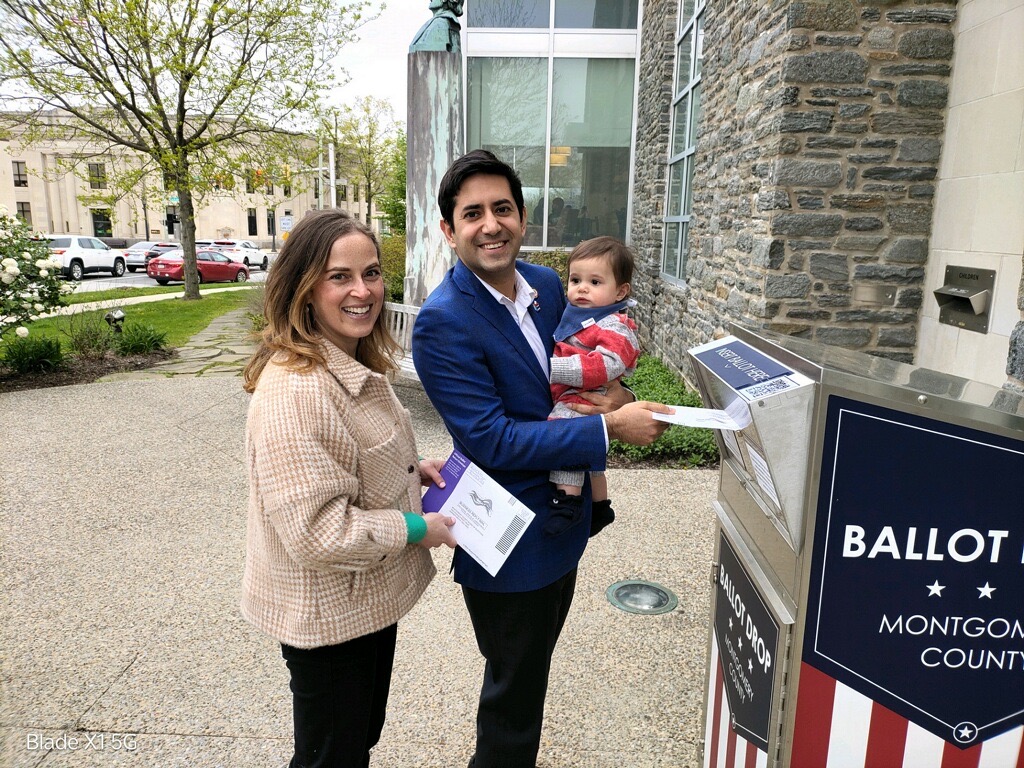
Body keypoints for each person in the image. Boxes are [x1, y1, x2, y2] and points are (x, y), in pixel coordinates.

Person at [412, 149, 671, 768]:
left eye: (502, 208)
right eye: (471, 213)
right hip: (508, 541)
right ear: (449, 231)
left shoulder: (552, 287)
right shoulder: (443, 322)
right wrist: (609, 430)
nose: (490, 224)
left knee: (534, 676)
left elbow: (585, 369)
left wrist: (620, 396)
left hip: (563, 522)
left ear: (523, 218)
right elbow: (492, 439)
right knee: (513, 699)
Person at [240, 209, 457, 768]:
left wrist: (414, 472)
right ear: (304, 288)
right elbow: (318, 532)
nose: (363, 291)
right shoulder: (297, 390)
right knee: (331, 755)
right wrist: (418, 528)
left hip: (360, 610)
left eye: (372, 272)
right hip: (329, 622)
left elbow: (354, 464)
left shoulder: (348, 362)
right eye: (340, 276)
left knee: (353, 742)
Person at [548, 236, 641, 537]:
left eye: (595, 282)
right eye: (575, 279)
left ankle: (568, 501)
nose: (582, 288)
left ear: (620, 291)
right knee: (592, 458)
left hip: (587, 393)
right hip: (580, 392)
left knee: (566, 437)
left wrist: (553, 369)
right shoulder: (581, 316)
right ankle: (601, 506)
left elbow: (606, 365)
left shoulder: (613, 324)